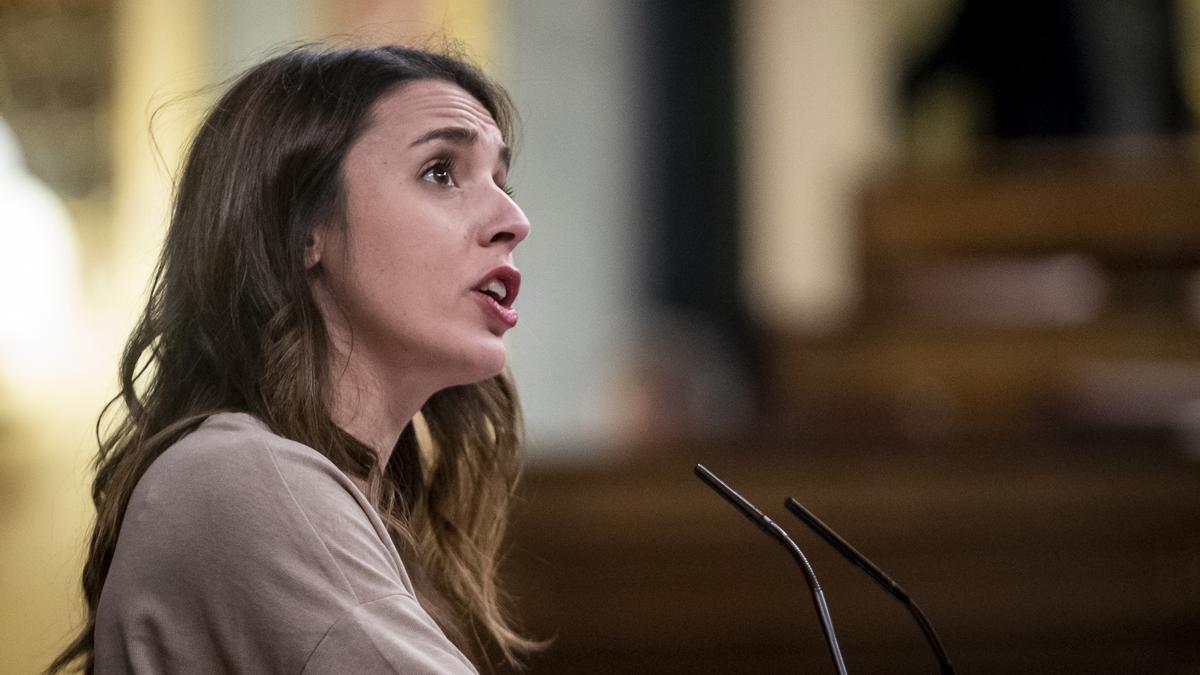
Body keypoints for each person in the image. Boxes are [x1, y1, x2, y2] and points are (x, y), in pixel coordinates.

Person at [48, 44, 538, 674]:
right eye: (441, 171)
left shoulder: (294, 485)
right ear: (305, 228)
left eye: (502, 180)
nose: (514, 220)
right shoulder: (240, 473)